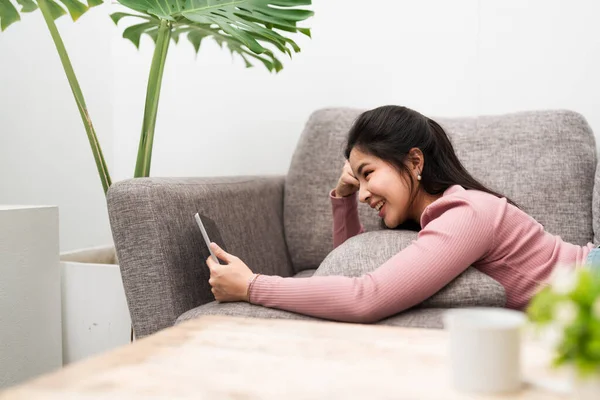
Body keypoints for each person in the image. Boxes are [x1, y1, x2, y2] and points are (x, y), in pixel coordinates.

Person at [205, 105, 598, 323]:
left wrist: (252, 286)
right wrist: (342, 198)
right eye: (357, 182)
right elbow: (349, 267)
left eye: (368, 174)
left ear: (414, 161)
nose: (363, 194)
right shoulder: (438, 219)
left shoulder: (465, 214)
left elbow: (366, 296)